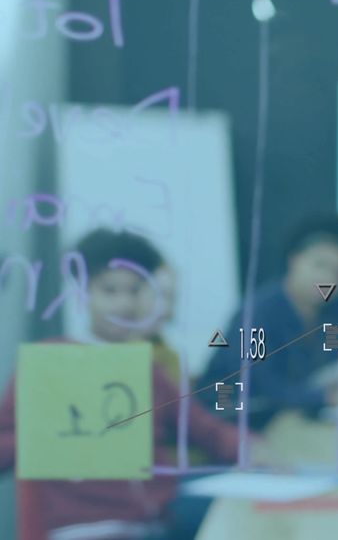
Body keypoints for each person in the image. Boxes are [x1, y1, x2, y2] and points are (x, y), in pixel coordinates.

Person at [0, 229, 240, 540]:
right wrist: (42, 438)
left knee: (241, 510)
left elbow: (202, 427)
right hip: (80, 528)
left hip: (154, 520)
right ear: (83, 293)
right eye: (109, 291)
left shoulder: (147, 365)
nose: (124, 303)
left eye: (135, 290)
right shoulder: (48, 361)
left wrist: (250, 448)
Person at [197, 213, 338, 430]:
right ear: (294, 260)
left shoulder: (336, 312)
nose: (328, 279)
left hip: (296, 422)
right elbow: (263, 390)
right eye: (319, 265)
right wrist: (329, 397)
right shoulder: (258, 313)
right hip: (235, 425)